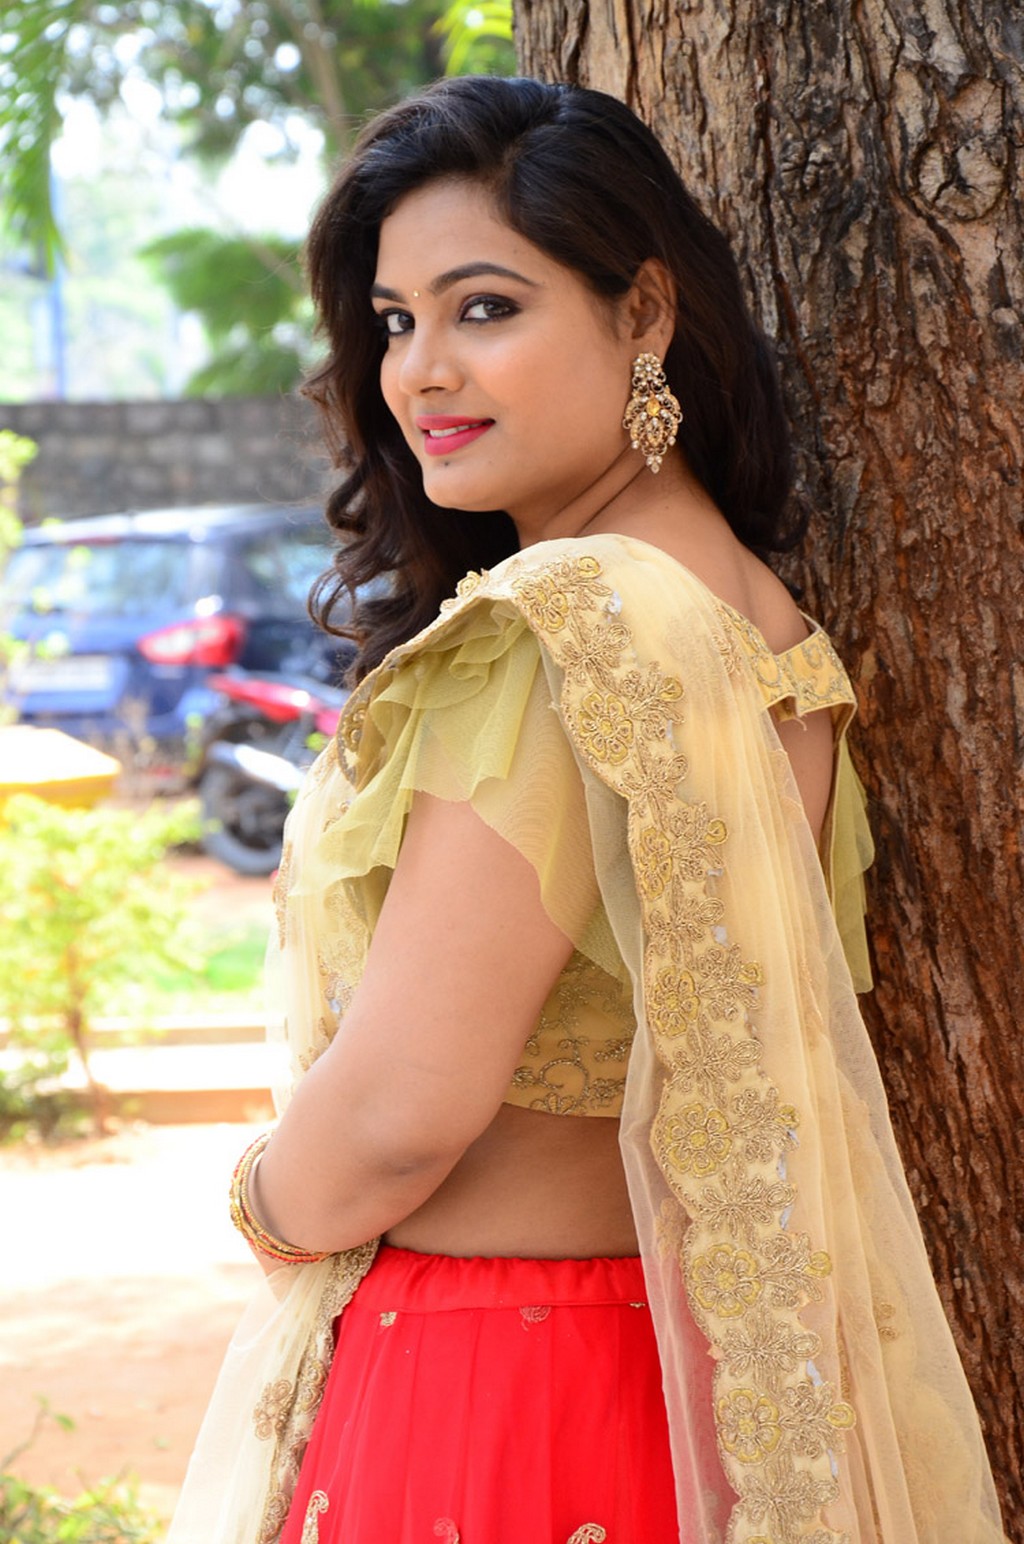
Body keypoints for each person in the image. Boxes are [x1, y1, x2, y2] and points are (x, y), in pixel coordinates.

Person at [168, 76, 1006, 1544]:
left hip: (490, 1392)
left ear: (645, 314)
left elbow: (396, 1120)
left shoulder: (562, 626)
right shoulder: (764, 630)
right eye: (394, 322)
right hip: (681, 1391)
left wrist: (261, 1203)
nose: (422, 370)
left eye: (485, 307)